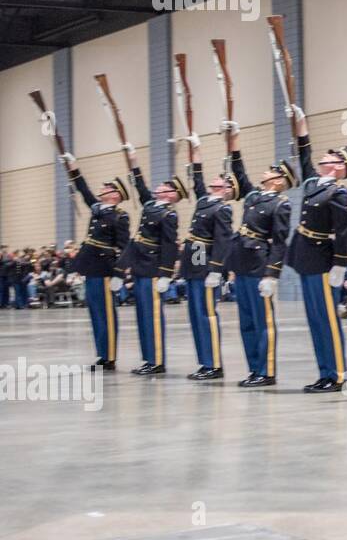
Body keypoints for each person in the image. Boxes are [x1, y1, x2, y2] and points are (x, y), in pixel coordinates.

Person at [286, 106, 347, 393]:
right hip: (305, 256)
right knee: (315, 320)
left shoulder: (337, 191)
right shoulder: (315, 184)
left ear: (339, 166)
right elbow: (304, 154)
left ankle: (338, 374)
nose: (323, 157)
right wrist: (301, 123)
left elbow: (345, 230)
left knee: (327, 319)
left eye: (331, 156)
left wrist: (340, 264)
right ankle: (324, 372)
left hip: (324, 259)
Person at [223, 121, 294, 387]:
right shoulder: (254, 197)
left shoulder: (280, 204)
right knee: (247, 323)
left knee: (264, 322)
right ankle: (254, 369)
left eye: (270, 171)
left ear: (278, 181)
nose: (264, 172)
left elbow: (279, 241)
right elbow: (239, 172)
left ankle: (267, 371)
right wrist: (235, 139)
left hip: (258, 264)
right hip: (241, 262)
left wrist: (271, 274)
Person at [114, 150, 185, 375]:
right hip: (140, 266)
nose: (158, 189)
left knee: (153, 317)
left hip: (154, 268)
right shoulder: (151, 206)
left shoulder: (169, 215)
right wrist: (133, 161)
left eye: (164, 188)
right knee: (142, 316)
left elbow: (170, 245)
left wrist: (165, 274)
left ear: (172, 195)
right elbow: (140, 186)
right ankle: (148, 358)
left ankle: (157, 361)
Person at [62, 155, 131, 369]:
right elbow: (84, 190)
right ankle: (102, 354)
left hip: (105, 269)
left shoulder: (120, 216)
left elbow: (124, 246)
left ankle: (109, 357)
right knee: (95, 313)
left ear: (115, 194)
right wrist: (73, 167)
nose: (101, 190)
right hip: (91, 268)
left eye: (106, 188)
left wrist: (119, 274)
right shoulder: (98, 209)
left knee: (106, 314)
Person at [175, 137, 235, 381]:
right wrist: (195, 150)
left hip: (205, 256)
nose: (213, 181)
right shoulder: (204, 201)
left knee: (206, 312)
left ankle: (214, 364)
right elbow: (197, 179)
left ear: (226, 188)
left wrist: (216, 270)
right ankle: (204, 362)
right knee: (194, 312)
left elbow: (223, 240)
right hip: (194, 255)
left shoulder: (222, 208)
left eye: (220, 180)